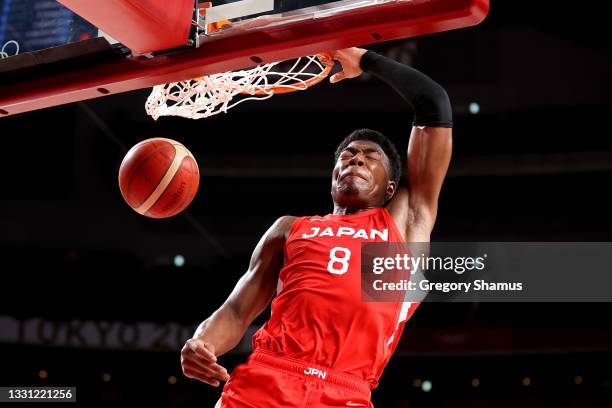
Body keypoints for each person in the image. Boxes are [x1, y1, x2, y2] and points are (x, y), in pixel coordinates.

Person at [181, 47, 453, 407]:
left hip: (345, 391)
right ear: (333, 176)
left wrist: (366, 60)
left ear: (390, 188)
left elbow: (434, 103)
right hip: (268, 378)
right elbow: (237, 310)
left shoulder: (405, 219)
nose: (357, 158)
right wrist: (203, 343)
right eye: (348, 155)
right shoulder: (289, 228)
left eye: (371, 158)